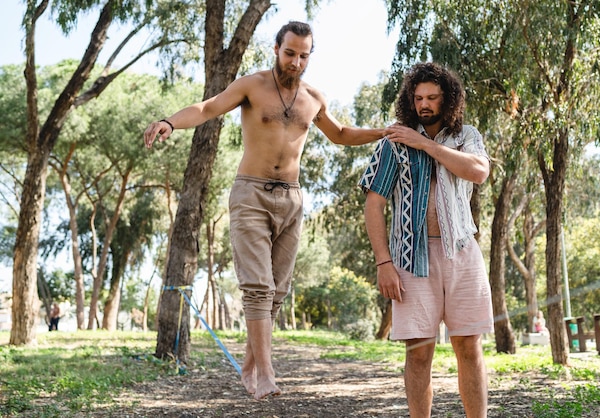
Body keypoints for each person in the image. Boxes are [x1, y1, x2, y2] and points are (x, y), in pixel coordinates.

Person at [143, 21, 384, 400]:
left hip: (292, 198)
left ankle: (251, 364)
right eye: (290, 53)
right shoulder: (252, 85)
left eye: (304, 55)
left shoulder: (313, 97)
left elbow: (340, 134)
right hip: (251, 194)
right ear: (276, 49)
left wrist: (385, 132)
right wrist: (169, 122)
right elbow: (207, 108)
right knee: (258, 286)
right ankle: (266, 373)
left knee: (278, 291)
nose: (296, 62)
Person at [359, 62, 494, 417]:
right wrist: (383, 262)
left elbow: (478, 171)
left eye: (432, 97)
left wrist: (425, 143)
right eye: (418, 97)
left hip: (462, 252)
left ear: (447, 99)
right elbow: (374, 204)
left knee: (469, 347)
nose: (425, 104)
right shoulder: (395, 142)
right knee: (418, 351)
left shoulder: (467, 136)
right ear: (410, 100)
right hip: (410, 258)